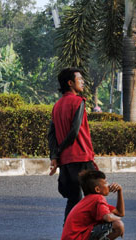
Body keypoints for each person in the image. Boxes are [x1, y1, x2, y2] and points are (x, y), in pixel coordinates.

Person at [48, 68, 97, 228]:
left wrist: (55, 156)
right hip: (81, 156)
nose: (83, 81)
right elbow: (75, 131)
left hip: (66, 161)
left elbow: (52, 134)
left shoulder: (57, 106)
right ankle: (87, 237)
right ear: (70, 83)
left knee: (74, 198)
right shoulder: (78, 102)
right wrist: (61, 149)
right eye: (79, 79)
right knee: (94, 197)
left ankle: (66, 236)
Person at [61, 170, 125, 240]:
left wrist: (120, 191)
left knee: (117, 222)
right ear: (97, 189)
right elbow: (108, 217)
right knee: (118, 225)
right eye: (105, 182)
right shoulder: (98, 198)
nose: (109, 185)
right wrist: (119, 222)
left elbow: (120, 212)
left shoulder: (92, 199)